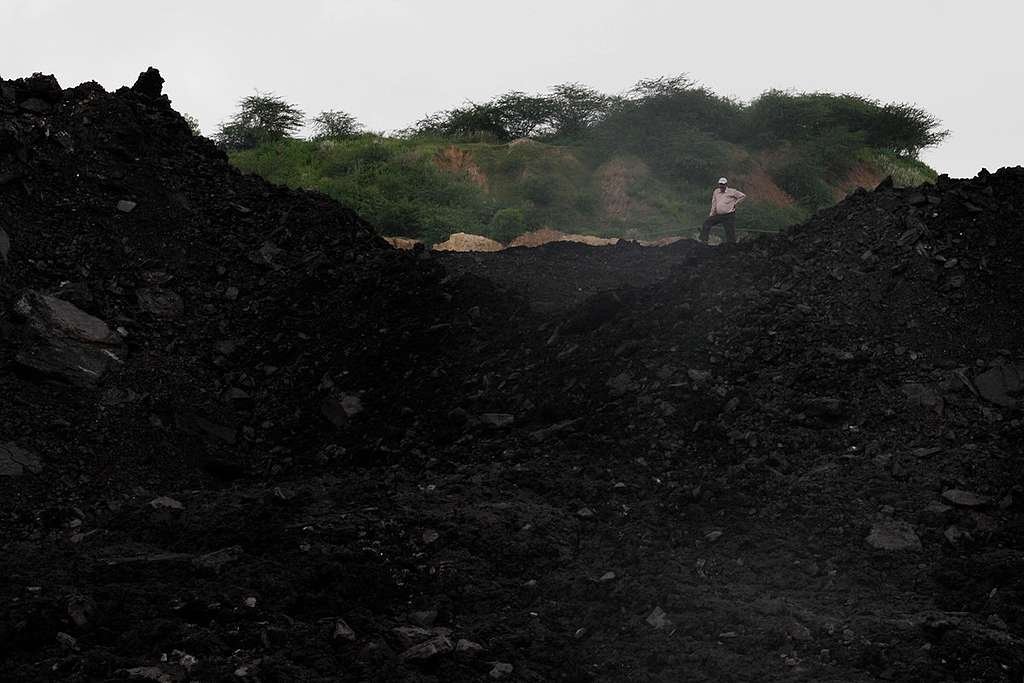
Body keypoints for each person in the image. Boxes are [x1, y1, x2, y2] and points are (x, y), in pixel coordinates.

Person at [700, 177, 746, 244]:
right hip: (719, 214)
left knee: (730, 231)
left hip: (729, 215)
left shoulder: (732, 191)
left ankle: (732, 245)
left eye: (723, 184)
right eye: (720, 184)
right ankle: (704, 241)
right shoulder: (716, 191)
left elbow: (743, 196)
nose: (722, 186)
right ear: (719, 184)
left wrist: (735, 203)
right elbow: (714, 203)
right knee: (707, 223)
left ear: (726, 185)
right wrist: (711, 214)